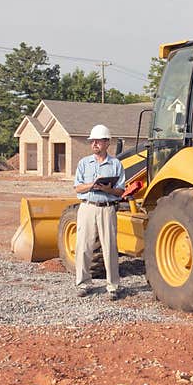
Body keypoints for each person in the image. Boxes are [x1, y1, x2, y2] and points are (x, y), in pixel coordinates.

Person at [73, 124, 126, 299]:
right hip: (87, 208)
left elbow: (120, 191)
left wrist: (107, 189)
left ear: (107, 143)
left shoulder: (116, 164)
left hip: (107, 208)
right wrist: (92, 185)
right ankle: (83, 283)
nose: (94, 144)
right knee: (83, 247)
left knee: (110, 248)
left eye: (98, 141)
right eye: (92, 141)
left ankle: (112, 287)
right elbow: (78, 188)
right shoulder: (83, 163)